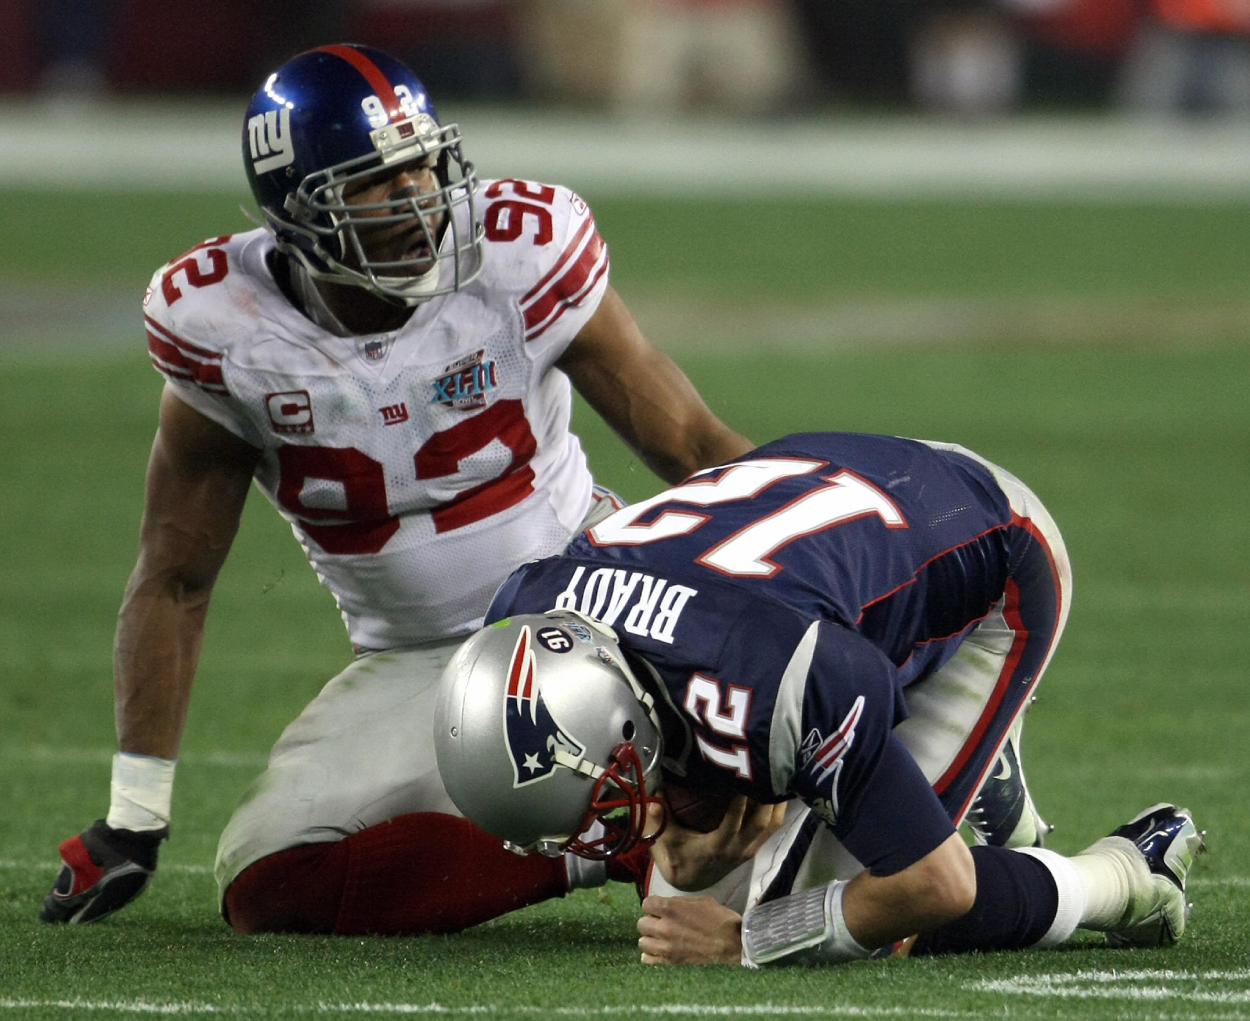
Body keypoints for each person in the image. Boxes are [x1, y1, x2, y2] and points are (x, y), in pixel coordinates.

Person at [39, 43, 755, 932]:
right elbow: (175, 576)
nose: (419, 200)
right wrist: (133, 814)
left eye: (423, 166)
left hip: (593, 603)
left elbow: (689, 441)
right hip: (419, 660)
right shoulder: (226, 333)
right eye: (376, 184)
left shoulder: (518, 255)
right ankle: (612, 842)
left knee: (781, 799)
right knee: (267, 880)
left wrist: (806, 569)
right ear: (297, 213)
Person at [434, 431, 1206, 965]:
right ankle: (958, 775)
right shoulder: (530, 608)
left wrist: (752, 942)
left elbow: (936, 884)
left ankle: (1130, 876)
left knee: (852, 905)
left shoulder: (768, 674)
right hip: (838, 512)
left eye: (604, 793)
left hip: (989, 550)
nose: (604, 826)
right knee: (705, 879)